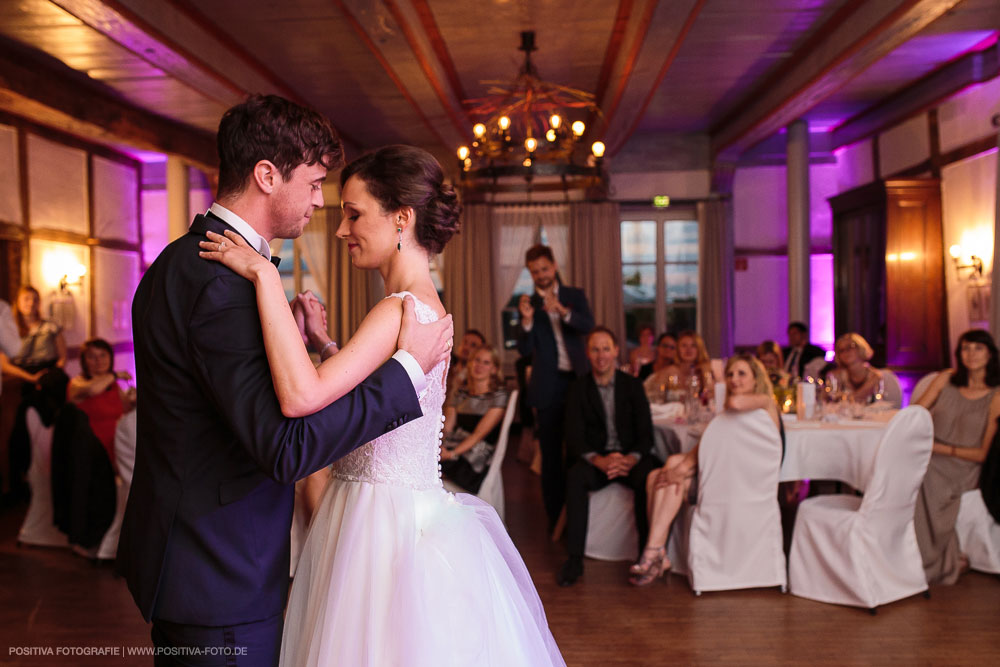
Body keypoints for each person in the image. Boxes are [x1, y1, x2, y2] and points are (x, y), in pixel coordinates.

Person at [117, 96, 454, 667]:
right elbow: (285, 445)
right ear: (268, 175)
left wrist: (310, 344)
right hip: (219, 573)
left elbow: (235, 399)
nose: (323, 203)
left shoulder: (182, 262)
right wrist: (405, 372)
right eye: (316, 182)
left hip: (206, 559)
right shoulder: (225, 285)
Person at [202, 144, 563, 666]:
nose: (343, 229)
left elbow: (304, 395)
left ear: (401, 218)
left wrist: (263, 276)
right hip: (397, 510)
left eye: (353, 214)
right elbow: (384, 393)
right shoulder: (427, 307)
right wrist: (326, 345)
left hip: (378, 523)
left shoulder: (398, 308)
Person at [629, 355, 781, 585]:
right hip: (725, 473)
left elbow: (734, 403)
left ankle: (654, 552)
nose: (734, 379)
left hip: (742, 483)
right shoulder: (730, 414)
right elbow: (709, 445)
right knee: (660, 473)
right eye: (730, 374)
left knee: (670, 478)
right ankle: (657, 551)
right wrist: (681, 468)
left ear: (755, 379)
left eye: (741, 374)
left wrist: (719, 379)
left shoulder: (764, 402)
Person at [558, 327, 660, 586]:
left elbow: (646, 433)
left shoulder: (633, 386)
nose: (601, 355)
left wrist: (632, 459)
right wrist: (598, 460)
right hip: (597, 459)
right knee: (574, 478)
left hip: (629, 458)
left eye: (606, 348)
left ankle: (644, 556)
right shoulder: (578, 389)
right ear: (588, 354)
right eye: (595, 349)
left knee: (648, 477)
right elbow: (574, 435)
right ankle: (574, 559)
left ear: (616, 351)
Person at [914, 329, 1000, 585]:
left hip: (965, 464)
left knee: (923, 476)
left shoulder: (996, 395)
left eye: (978, 348)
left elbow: (984, 453)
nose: (971, 354)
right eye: (965, 348)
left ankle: (926, 563)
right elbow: (915, 414)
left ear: (990, 354)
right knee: (904, 470)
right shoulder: (945, 379)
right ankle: (897, 554)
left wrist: (937, 449)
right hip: (931, 454)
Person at [517, 244, 594, 532]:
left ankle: (577, 519)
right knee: (550, 459)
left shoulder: (574, 296)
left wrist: (562, 311)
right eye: (535, 271)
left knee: (578, 452)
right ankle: (554, 520)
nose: (541, 275)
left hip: (578, 385)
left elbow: (588, 326)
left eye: (544, 269)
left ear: (555, 266)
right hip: (547, 388)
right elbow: (524, 349)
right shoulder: (527, 304)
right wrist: (525, 322)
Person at [441, 346, 509, 493]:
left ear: (494, 369)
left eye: (486, 363)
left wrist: (451, 454)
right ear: (470, 363)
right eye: (476, 360)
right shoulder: (460, 393)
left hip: (477, 454)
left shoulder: (498, 396)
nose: (479, 366)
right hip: (454, 444)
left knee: (435, 469)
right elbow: (447, 428)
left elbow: (479, 435)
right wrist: (440, 448)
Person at [67, 338, 135, 467]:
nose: (99, 361)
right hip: (88, 451)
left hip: (115, 448)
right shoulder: (77, 383)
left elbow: (128, 410)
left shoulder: (113, 386)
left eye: (103, 355)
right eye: (92, 356)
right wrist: (115, 375)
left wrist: (134, 400)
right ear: (84, 361)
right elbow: (93, 390)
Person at [652, 330, 714, 402]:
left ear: (699, 349)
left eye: (693, 346)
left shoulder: (705, 370)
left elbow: (711, 396)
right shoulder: (669, 371)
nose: (688, 349)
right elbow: (656, 397)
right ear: (678, 349)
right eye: (684, 345)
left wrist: (705, 371)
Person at [828, 332, 884, 403]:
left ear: (861, 347)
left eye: (850, 347)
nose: (846, 352)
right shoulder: (835, 376)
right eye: (841, 350)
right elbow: (827, 401)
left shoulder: (875, 376)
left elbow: (857, 398)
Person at [446, 327, 486, 396]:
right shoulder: (447, 367)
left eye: (473, 345)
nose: (466, 347)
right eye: (465, 342)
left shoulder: (477, 377)